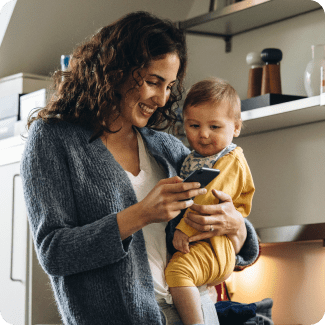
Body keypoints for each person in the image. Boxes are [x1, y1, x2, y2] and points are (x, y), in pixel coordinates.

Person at [20, 11, 259, 325]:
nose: (162, 98)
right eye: (153, 82)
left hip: (199, 313)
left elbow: (242, 248)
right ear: (116, 71)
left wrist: (235, 226)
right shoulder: (53, 139)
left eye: (170, 86)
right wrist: (141, 213)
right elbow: (54, 252)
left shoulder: (168, 149)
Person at [165, 78, 255, 325]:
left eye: (214, 127)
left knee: (178, 272)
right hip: (206, 242)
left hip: (216, 244)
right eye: (194, 125)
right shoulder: (193, 157)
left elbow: (208, 199)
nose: (203, 134)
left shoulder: (230, 160)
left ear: (235, 127)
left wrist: (183, 229)